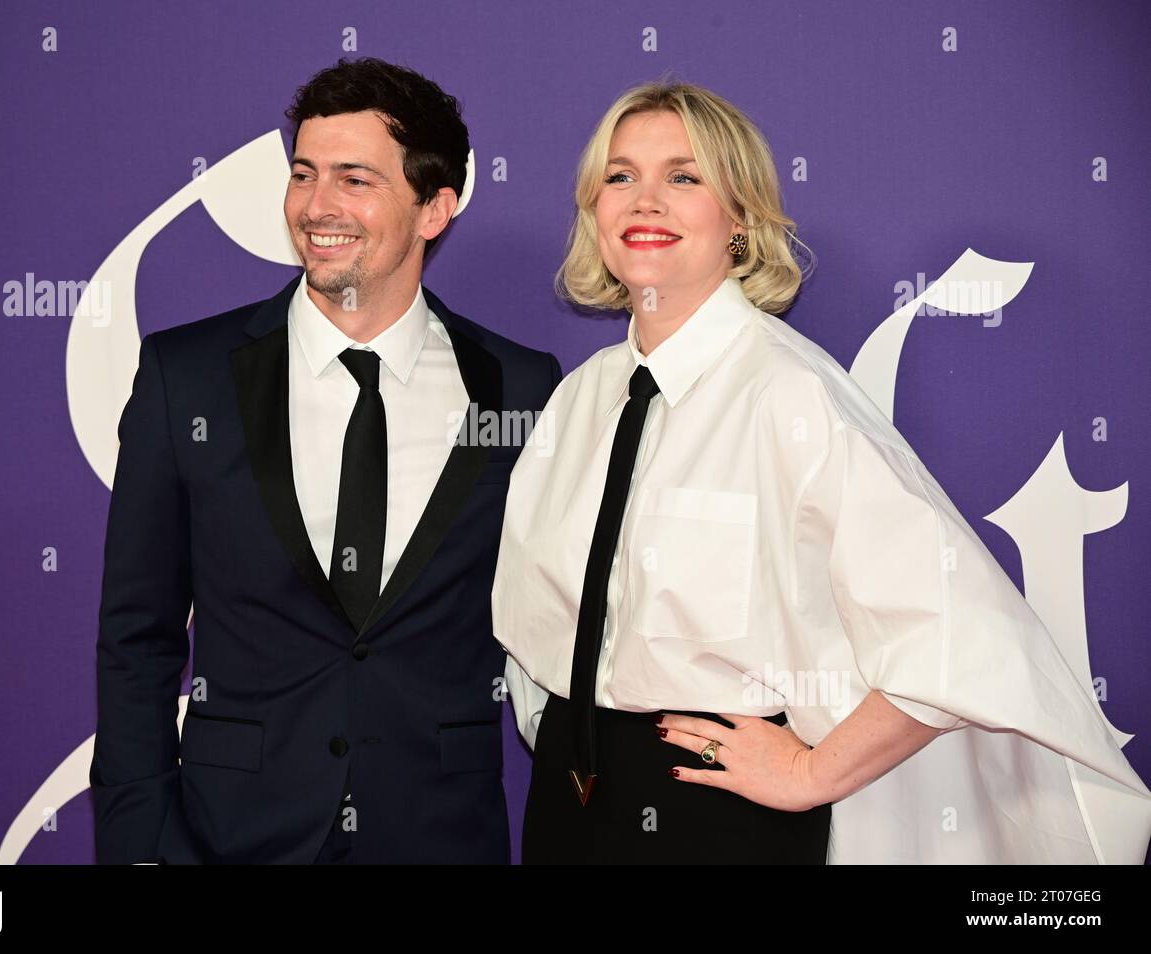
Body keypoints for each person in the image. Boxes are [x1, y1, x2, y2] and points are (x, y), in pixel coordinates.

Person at [492, 78, 1151, 863]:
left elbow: (963, 635)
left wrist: (811, 771)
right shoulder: (580, 400)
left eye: (684, 176)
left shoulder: (790, 392)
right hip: (567, 808)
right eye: (620, 176)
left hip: (716, 812)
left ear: (738, 219)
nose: (645, 201)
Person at [89, 57, 562, 864]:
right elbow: (139, 635)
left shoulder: (519, 386)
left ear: (435, 209)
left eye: (355, 179)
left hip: (439, 836)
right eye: (304, 173)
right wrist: (137, 843)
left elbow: (552, 618)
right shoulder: (187, 375)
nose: (317, 206)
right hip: (227, 837)